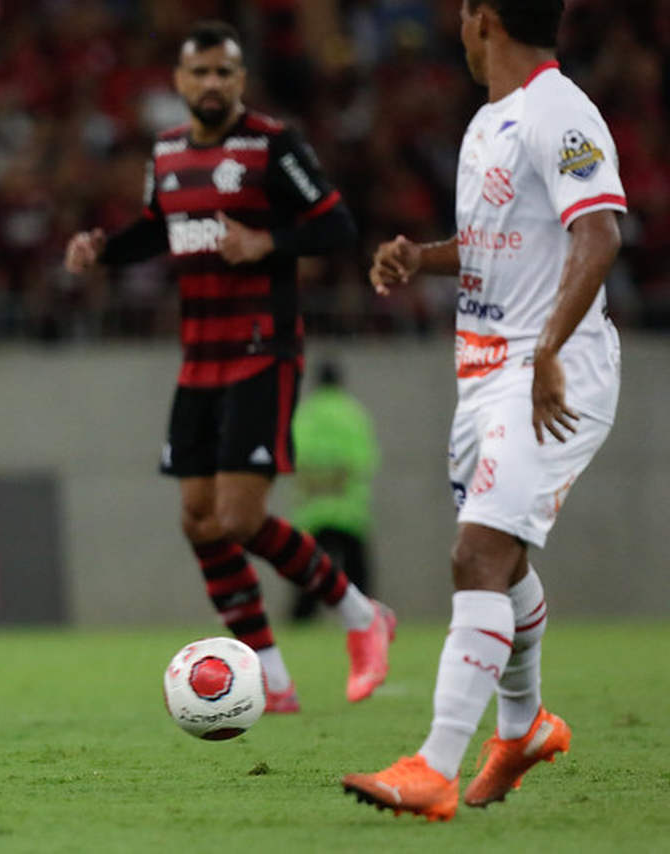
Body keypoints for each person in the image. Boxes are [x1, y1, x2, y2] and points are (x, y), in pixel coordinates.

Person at [343, 0, 625, 821]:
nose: (459, 27)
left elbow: (598, 236)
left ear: (484, 19)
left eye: (464, 12)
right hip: (485, 373)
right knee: (499, 563)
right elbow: (505, 239)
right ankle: (524, 727)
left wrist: (545, 353)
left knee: (477, 557)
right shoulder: (489, 123)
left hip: (553, 369)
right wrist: (418, 257)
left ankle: (433, 768)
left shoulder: (558, 110)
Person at [64, 20, 395, 713]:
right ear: (180, 83)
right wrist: (105, 249)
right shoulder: (168, 150)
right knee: (198, 520)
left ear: (240, 81)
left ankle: (363, 617)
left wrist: (270, 240)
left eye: (224, 72)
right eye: (199, 72)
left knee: (241, 518)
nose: (211, 84)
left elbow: (337, 226)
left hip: (261, 349)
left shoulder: (274, 146)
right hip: (199, 362)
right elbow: (162, 227)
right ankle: (271, 677)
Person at [288, 361, 379, 622]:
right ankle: (365, 621)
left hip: (313, 509)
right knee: (357, 574)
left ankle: (301, 622)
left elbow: (294, 457)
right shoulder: (353, 414)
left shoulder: (305, 414)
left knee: (308, 573)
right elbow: (365, 459)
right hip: (348, 509)